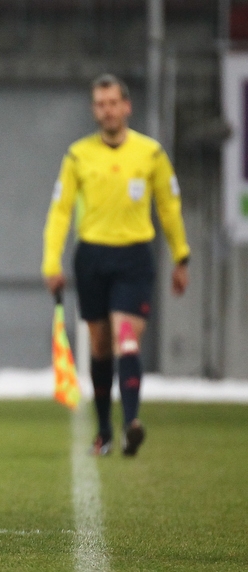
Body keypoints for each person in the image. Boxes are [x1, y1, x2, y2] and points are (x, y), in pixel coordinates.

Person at [42, 73, 190, 457]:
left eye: (113, 103)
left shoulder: (151, 154)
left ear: (127, 106)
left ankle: (132, 423)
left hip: (134, 257)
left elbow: (169, 206)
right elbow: (60, 211)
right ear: (95, 110)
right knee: (101, 345)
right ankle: (106, 430)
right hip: (91, 257)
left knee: (127, 337)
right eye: (100, 104)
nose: (107, 110)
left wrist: (181, 255)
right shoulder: (78, 155)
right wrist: (51, 260)